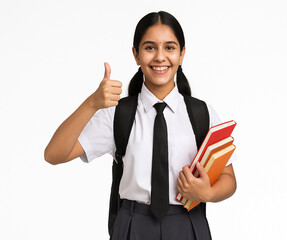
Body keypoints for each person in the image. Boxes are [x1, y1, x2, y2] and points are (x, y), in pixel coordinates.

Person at [44, 11, 237, 240]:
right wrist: (91, 104)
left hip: (188, 224)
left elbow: (229, 178)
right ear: (136, 54)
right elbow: (54, 154)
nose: (160, 57)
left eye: (170, 47)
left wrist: (209, 192)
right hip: (133, 225)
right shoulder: (117, 114)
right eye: (149, 47)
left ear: (182, 54)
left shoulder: (202, 113)